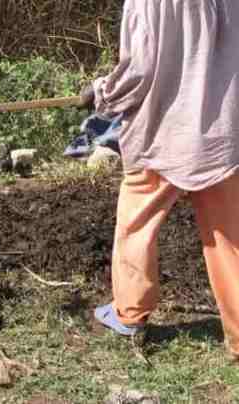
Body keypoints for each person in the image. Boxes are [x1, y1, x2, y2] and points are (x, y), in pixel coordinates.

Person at [78, 0, 239, 359]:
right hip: (223, 136)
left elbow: (139, 68)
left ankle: (130, 315)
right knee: (230, 237)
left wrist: (102, 93)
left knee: (136, 225)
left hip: (163, 132)